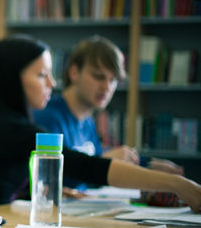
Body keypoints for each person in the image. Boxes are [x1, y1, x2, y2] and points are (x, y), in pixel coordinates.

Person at [0, 35, 201, 214]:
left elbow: (0, 182)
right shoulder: (10, 129)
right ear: (12, 79)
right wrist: (178, 185)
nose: (52, 84)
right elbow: (89, 167)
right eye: (42, 75)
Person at [34, 36, 183, 188]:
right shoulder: (48, 118)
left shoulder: (87, 121)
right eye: (99, 77)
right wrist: (105, 160)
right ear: (74, 73)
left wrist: (148, 165)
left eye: (113, 80)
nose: (107, 87)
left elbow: (96, 160)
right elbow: (49, 180)